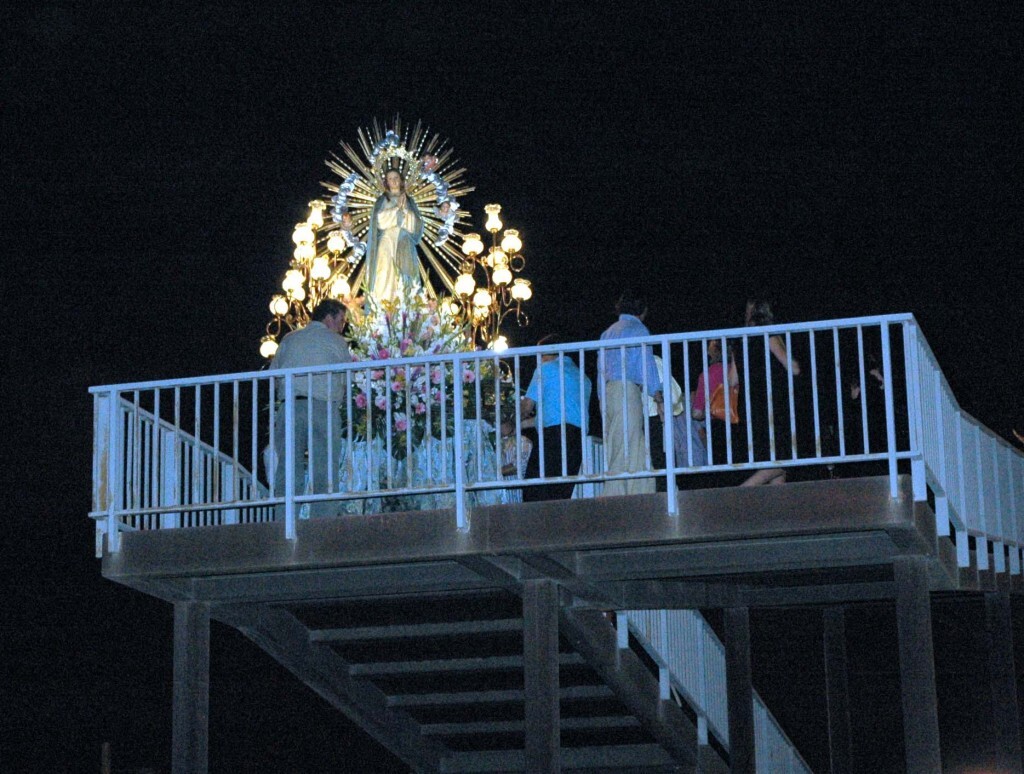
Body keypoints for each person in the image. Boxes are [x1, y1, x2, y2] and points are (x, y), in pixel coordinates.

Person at [269, 299, 353, 517]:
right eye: (341, 321)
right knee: (324, 469)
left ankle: (283, 522)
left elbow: (274, 374)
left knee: (287, 468)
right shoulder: (336, 341)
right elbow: (347, 378)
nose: (342, 327)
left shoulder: (289, 338)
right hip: (322, 407)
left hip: (290, 406)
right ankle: (321, 525)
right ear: (329, 318)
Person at [598, 292, 664, 496]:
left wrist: (601, 398)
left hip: (610, 391)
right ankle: (615, 495)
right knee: (627, 443)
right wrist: (658, 394)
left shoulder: (608, 332)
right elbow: (647, 364)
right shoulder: (638, 329)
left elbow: (601, 368)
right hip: (627, 390)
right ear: (642, 311)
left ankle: (640, 491)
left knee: (627, 441)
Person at [521, 334, 593, 501]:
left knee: (534, 487)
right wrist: (523, 425)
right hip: (577, 437)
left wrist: (511, 421)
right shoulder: (582, 377)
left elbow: (526, 408)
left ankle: (534, 526)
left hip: (553, 436)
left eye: (540, 354)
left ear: (550, 352)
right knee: (561, 490)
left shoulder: (545, 370)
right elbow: (558, 413)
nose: (538, 359)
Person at [738, 300, 800, 486]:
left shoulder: (740, 339)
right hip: (772, 403)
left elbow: (732, 379)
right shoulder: (769, 335)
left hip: (750, 404)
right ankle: (740, 492)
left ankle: (778, 510)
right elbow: (793, 368)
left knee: (774, 458)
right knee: (784, 459)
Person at [364, 167, 424, 301]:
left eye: (396, 178)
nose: (394, 181)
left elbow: (416, 225)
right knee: (384, 270)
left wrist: (406, 213)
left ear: (401, 180)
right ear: (386, 182)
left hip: (404, 239)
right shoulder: (382, 200)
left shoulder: (409, 201)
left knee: (406, 274)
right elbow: (379, 221)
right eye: (390, 179)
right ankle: (383, 305)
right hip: (387, 239)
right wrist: (397, 210)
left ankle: (407, 306)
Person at [691, 340, 739, 466]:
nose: (707, 352)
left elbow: (696, 413)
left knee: (723, 468)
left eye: (710, 348)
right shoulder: (741, 368)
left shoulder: (708, 374)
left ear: (717, 351)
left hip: (718, 428)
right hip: (744, 423)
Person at [499, 419, 533, 504]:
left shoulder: (523, 441)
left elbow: (518, 467)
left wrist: (492, 473)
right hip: (500, 495)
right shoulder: (495, 442)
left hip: (515, 496)